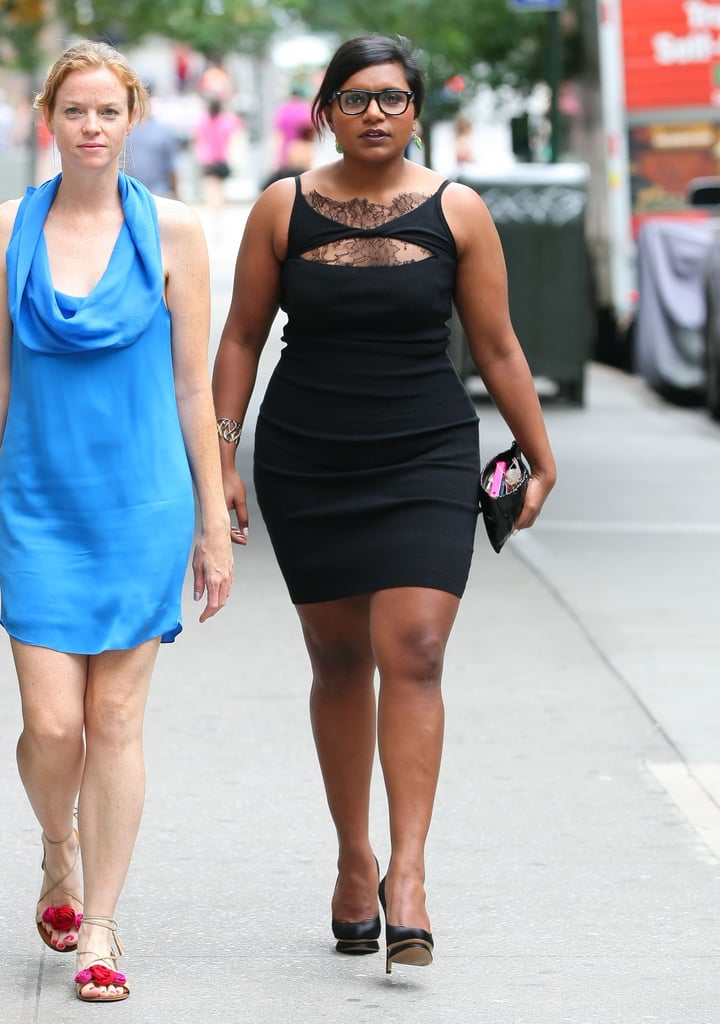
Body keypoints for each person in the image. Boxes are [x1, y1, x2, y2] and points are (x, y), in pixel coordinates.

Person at [212, 34, 556, 975]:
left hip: (425, 451)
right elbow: (241, 335)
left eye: (393, 99)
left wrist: (536, 448)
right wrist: (223, 453)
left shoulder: (461, 211)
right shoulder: (282, 206)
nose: (375, 114)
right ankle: (352, 857)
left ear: (416, 111)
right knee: (335, 657)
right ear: (326, 108)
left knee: (416, 648)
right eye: (356, 98)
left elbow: (499, 347)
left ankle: (407, 874)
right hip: (309, 456)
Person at [0, 40, 233, 1003]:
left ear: (134, 119)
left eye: (107, 111)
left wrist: (212, 523)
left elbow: (191, 388)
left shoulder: (175, 232)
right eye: (74, 112)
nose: (90, 128)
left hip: (141, 505)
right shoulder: (8, 227)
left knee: (116, 717)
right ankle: (57, 846)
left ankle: (99, 925)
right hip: (37, 504)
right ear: (46, 120)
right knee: (51, 728)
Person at [193, 97, 242, 227]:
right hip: (222, 159)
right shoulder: (227, 121)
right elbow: (237, 131)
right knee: (220, 188)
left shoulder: (202, 121)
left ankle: (214, 213)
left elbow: (197, 138)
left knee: (210, 188)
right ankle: (219, 213)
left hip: (207, 159)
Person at [126, 85, 179, 198]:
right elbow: (173, 168)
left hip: (151, 195)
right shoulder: (126, 130)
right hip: (137, 194)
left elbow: (172, 168)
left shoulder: (163, 130)